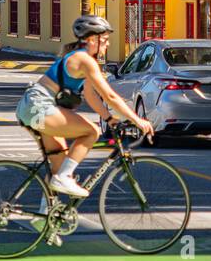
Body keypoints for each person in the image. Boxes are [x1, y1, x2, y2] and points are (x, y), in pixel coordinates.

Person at [15, 15, 154, 202]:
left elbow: (90, 95)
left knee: (58, 164)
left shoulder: (81, 58)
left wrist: (109, 119)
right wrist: (138, 120)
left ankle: (46, 219)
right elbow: (110, 96)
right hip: (38, 107)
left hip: (31, 107)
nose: (107, 44)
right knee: (92, 132)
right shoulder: (85, 60)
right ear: (91, 40)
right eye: (104, 40)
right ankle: (64, 178)